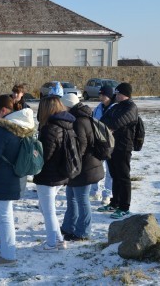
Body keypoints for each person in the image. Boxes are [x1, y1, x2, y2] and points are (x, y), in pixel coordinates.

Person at [0, 94, 36, 266]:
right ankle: (4, 247)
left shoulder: (2, 132)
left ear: (4, 111)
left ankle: (8, 255)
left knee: (4, 218)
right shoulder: (23, 127)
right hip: (15, 179)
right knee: (4, 216)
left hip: (1, 181)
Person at [60, 94, 104, 241]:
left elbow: (81, 145)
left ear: (67, 106)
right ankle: (68, 227)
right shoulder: (79, 117)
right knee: (71, 197)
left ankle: (83, 232)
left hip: (84, 167)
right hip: (81, 166)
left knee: (82, 199)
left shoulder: (79, 120)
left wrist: (72, 161)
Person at [33, 95, 73, 252]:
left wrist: (34, 152)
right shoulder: (67, 125)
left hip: (49, 175)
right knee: (46, 209)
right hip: (61, 173)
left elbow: (45, 155)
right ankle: (59, 240)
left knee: (48, 211)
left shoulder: (50, 128)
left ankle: (51, 244)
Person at [99, 82, 138, 219]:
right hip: (112, 146)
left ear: (125, 94)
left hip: (123, 147)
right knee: (114, 175)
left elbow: (118, 122)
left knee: (123, 177)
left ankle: (124, 207)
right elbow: (103, 120)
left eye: (119, 93)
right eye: (116, 93)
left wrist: (108, 127)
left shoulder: (131, 107)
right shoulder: (116, 106)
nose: (117, 95)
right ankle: (114, 202)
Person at [90, 85, 116, 203]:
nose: (100, 97)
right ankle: (94, 192)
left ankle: (107, 194)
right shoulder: (98, 108)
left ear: (109, 96)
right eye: (100, 95)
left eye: (103, 95)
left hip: (111, 144)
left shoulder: (116, 108)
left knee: (110, 171)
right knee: (95, 167)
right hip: (99, 143)